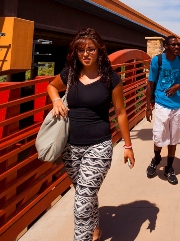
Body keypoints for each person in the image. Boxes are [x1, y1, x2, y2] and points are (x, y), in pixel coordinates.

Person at [47, 28, 135, 241]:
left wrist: (128, 146)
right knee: (83, 193)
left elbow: (121, 113)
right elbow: (51, 86)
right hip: (70, 147)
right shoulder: (70, 73)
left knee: (81, 202)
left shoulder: (111, 79)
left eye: (90, 49)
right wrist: (56, 100)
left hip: (99, 146)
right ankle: (95, 229)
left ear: (99, 51)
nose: (85, 54)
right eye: (80, 50)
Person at [145, 35, 180, 185]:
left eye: (178, 45)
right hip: (161, 102)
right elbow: (150, 84)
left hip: (177, 104)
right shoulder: (157, 60)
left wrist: (178, 86)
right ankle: (156, 158)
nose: (177, 47)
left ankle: (169, 168)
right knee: (159, 135)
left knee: (174, 138)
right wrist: (148, 106)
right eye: (173, 45)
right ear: (166, 46)